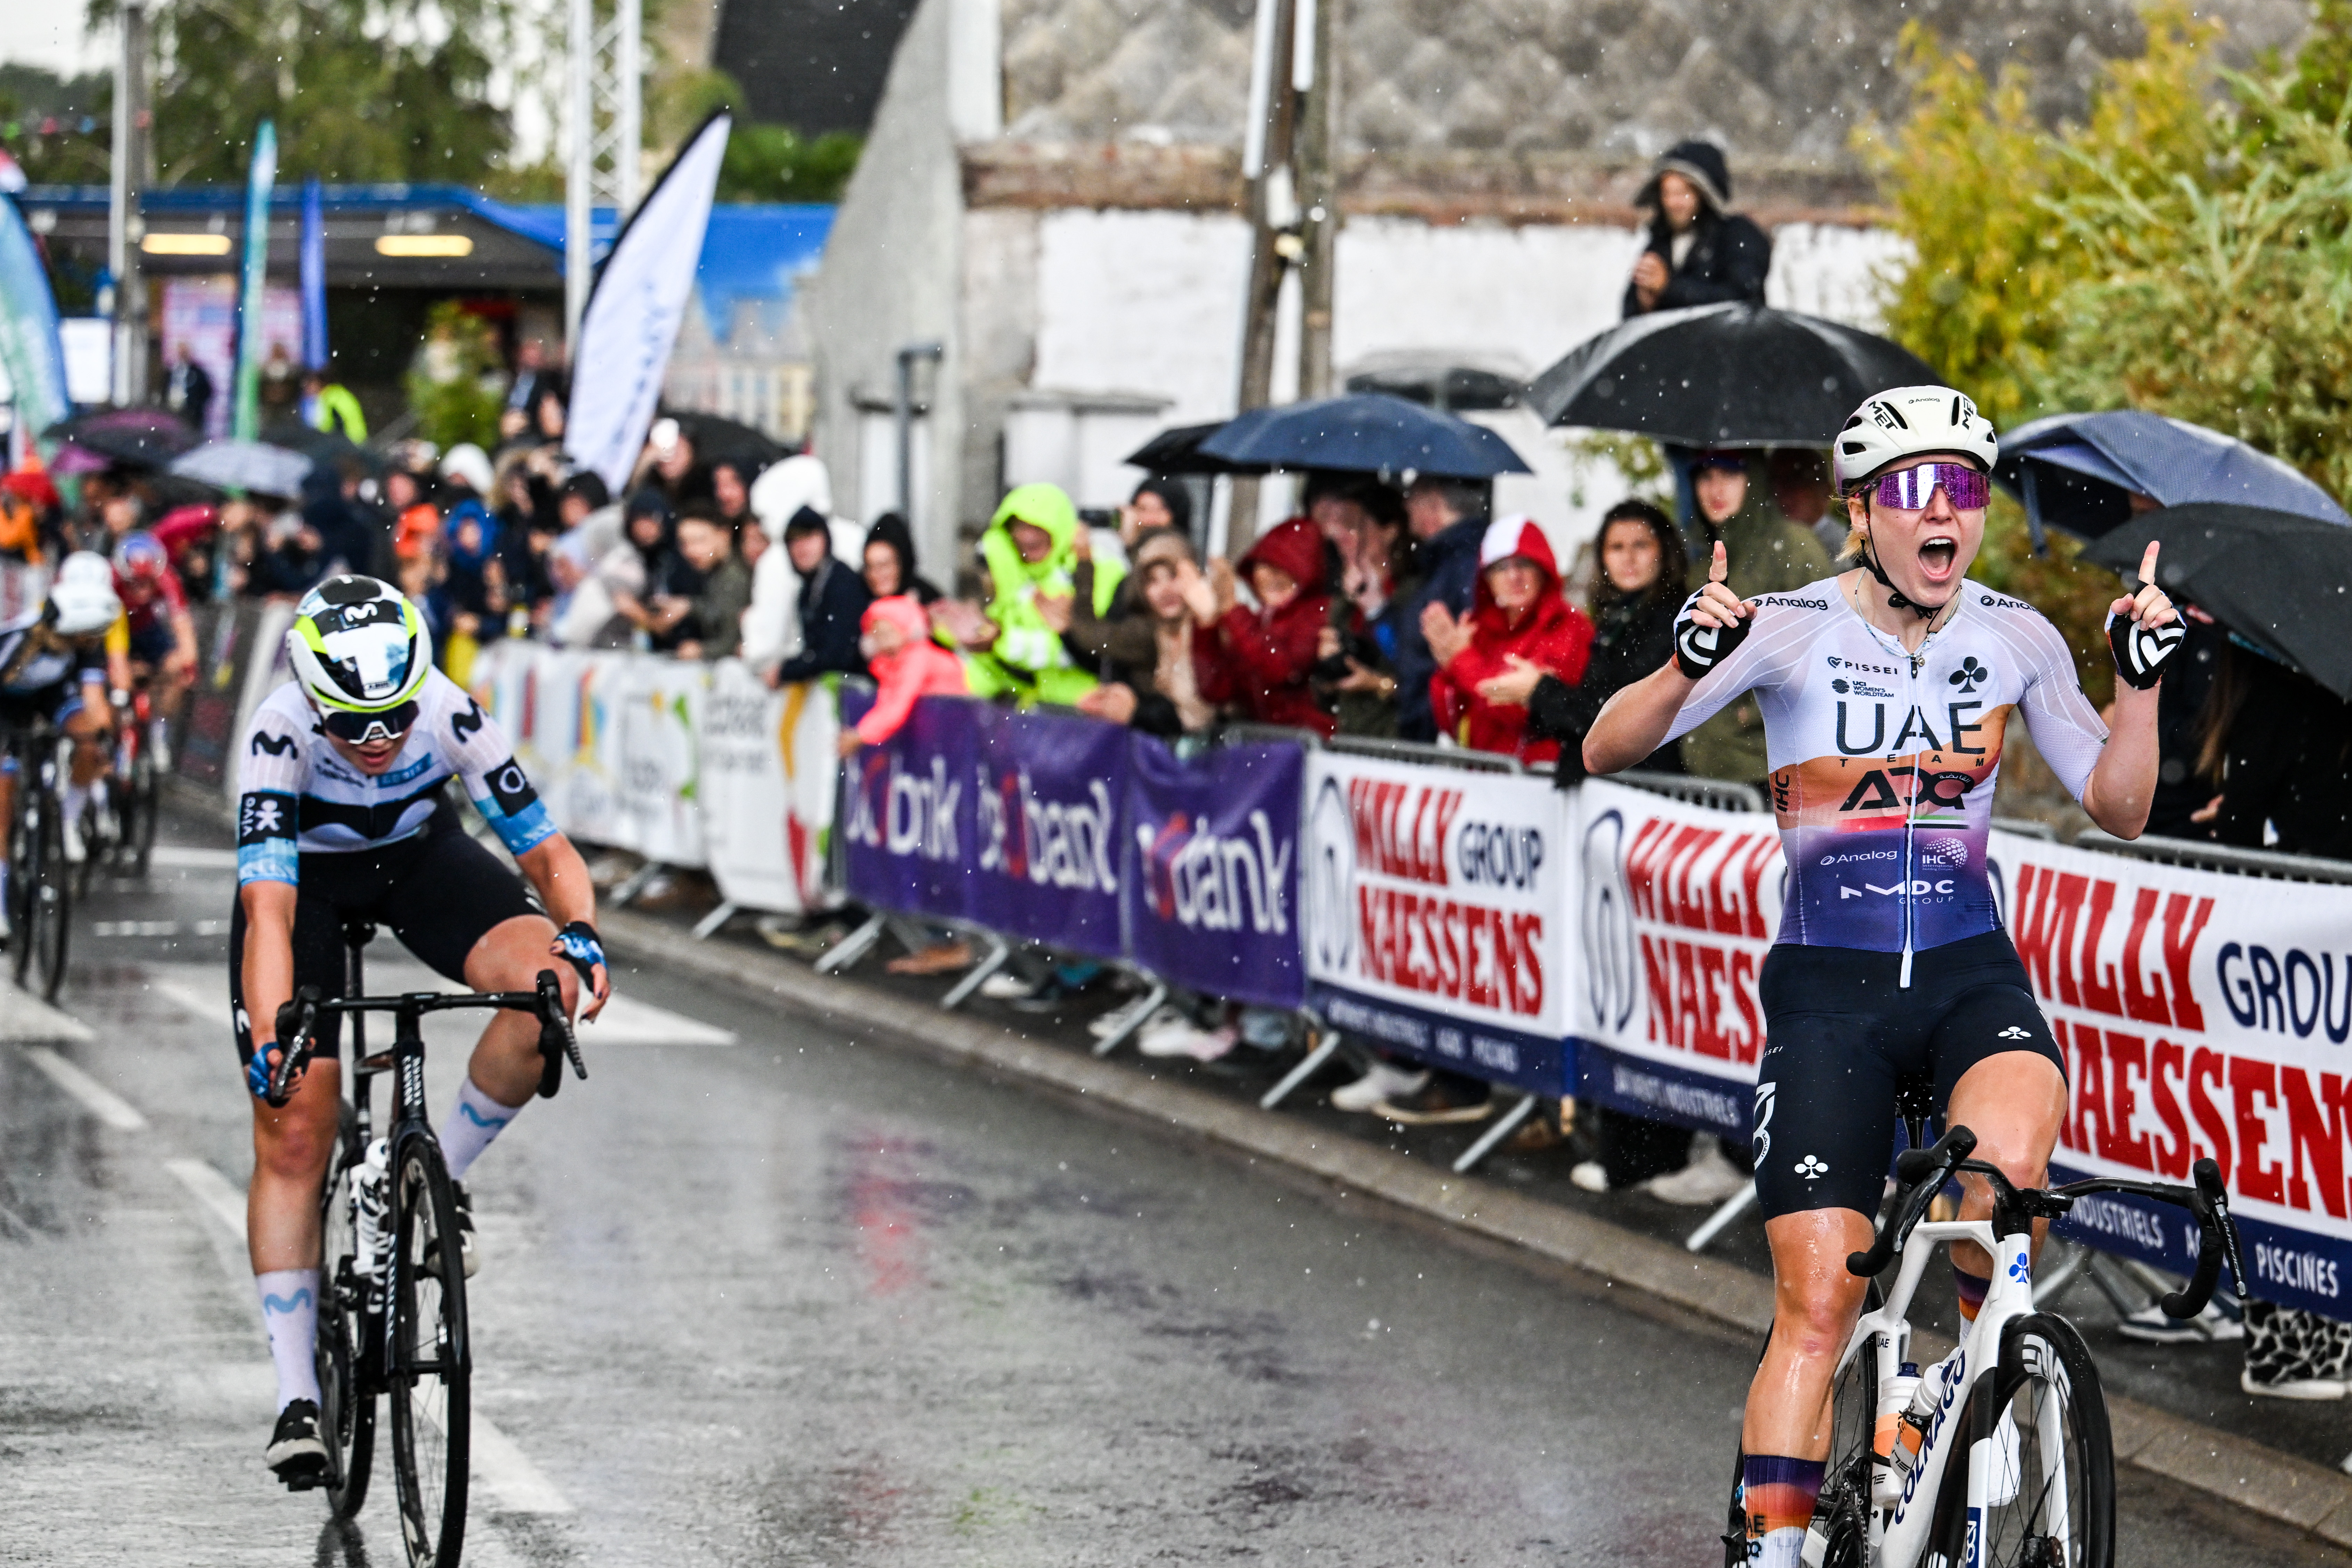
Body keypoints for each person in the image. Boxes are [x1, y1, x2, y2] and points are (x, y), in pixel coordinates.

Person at [1581, 385, 2182, 1568]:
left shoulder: (2015, 636)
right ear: (1863, 511)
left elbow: (2118, 805)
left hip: (1969, 972)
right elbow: (1606, 743)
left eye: (1964, 486)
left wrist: (2139, 681)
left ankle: (1974, 1401)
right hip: (1828, 993)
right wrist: (1684, 660)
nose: (1944, 510)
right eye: (1915, 489)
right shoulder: (1785, 623)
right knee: (1818, 1300)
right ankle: (1776, 1547)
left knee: (2003, 1188)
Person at [231, 577, 610, 1485]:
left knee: (545, 995)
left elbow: (548, 854)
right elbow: (271, 912)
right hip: (310, 888)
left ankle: (431, 1175)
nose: (376, 740)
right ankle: (296, 1397)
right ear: (314, 701)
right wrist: (272, 1033)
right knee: (293, 1122)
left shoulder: (450, 713)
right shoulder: (279, 732)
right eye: (352, 724)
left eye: (392, 716)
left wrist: (585, 935)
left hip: (418, 862)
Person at [1677, 450, 1832, 785]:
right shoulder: (1700, 562)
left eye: (1729, 474)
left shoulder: (1795, 548)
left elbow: (1825, 661)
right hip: (1705, 771)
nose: (1714, 489)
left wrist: (1753, 712)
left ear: (1756, 480)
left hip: (1772, 773)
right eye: (1705, 476)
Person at [1425, 516, 1594, 764]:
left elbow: (1521, 711)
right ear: (1487, 579)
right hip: (1486, 781)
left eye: (1524, 563)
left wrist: (1460, 660)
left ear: (1543, 569)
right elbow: (1451, 720)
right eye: (1501, 567)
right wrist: (1446, 670)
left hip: (1541, 784)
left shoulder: (1570, 627)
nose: (1514, 576)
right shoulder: (1477, 630)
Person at [941, 483, 1121, 706]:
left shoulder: (1100, 570)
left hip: (1082, 709)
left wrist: (996, 642)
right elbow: (983, 647)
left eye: (1037, 528)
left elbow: (1081, 651)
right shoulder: (1005, 568)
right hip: (1024, 710)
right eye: (1020, 527)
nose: (1027, 537)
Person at [1191, 516, 1333, 736]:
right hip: (1268, 749)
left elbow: (1282, 670)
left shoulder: (1320, 614)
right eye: (1263, 566)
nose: (1270, 577)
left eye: (1284, 568)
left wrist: (1231, 609)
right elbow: (1217, 689)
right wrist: (1205, 626)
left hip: (1314, 749)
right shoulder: (1254, 623)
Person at [1071, 527, 1215, 737]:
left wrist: (1211, 620)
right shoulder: (1153, 631)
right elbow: (1093, 638)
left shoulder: (1213, 627)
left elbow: (1208, 706)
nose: (1165, 590)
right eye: (1152, 581)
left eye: (1173, 576)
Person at [1388, 476, 1489, 742]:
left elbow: (1458, 645)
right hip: (1427, 716)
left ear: (1433, 502)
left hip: (1436, 725)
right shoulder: (1444, 560)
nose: (1406, 506)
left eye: (1412, 497)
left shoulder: (1462, 563)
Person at [1621, 140, 1771, 316]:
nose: (1672, 203)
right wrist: (1644, 303)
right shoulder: (1660, 242)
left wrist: (1669, 287)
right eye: (1666, 193)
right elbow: (1631, 317)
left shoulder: (1738, 236)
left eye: (1682, 193)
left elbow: (1742, 302)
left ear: (1705, 195)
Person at [112, 532, 199, 763]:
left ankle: (159, 726)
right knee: (118, 678)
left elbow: (182, 623)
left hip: (147, 628)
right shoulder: (111, 580)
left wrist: (188, 665)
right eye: (135, 583)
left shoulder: (167, 578)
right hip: (113, 626)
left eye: (147, 583)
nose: (142, 591)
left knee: (177, 667)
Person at [770, 507, 872, 685]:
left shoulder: (842, 582)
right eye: (795, 541)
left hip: (854, 693)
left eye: (809, 538)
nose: (802, 547)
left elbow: (838, 653)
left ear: (825, 540)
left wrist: (787, 671)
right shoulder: (809, 589)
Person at [671, 507, 753, 660]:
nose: (690, 551)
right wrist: (690, 606)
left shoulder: (735, 577)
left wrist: (701, 651)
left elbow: (733, 643)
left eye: (699, 541)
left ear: (724, 535)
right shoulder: (715, 571)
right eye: (684, 543)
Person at [862, 512, 941, 605]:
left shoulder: (929, 601)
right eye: (870, 566)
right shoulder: (858, 598)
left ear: (902, 564)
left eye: (884, 565)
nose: (875, 575)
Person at [300, 369, 367, 443]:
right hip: (358, 438)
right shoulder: (336, 392)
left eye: (308, 386)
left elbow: (332, 425)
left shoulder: (330, 399)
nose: (306, 391)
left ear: (317, 384)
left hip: (350, 442)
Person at [164, 342, 215, 436]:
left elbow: (207, 392)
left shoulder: (198, 373)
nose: (182, 354)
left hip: (192, 416)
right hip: (173, 414)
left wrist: (196, 405)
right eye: (181, 352)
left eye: (185, 352)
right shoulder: (171, 371)